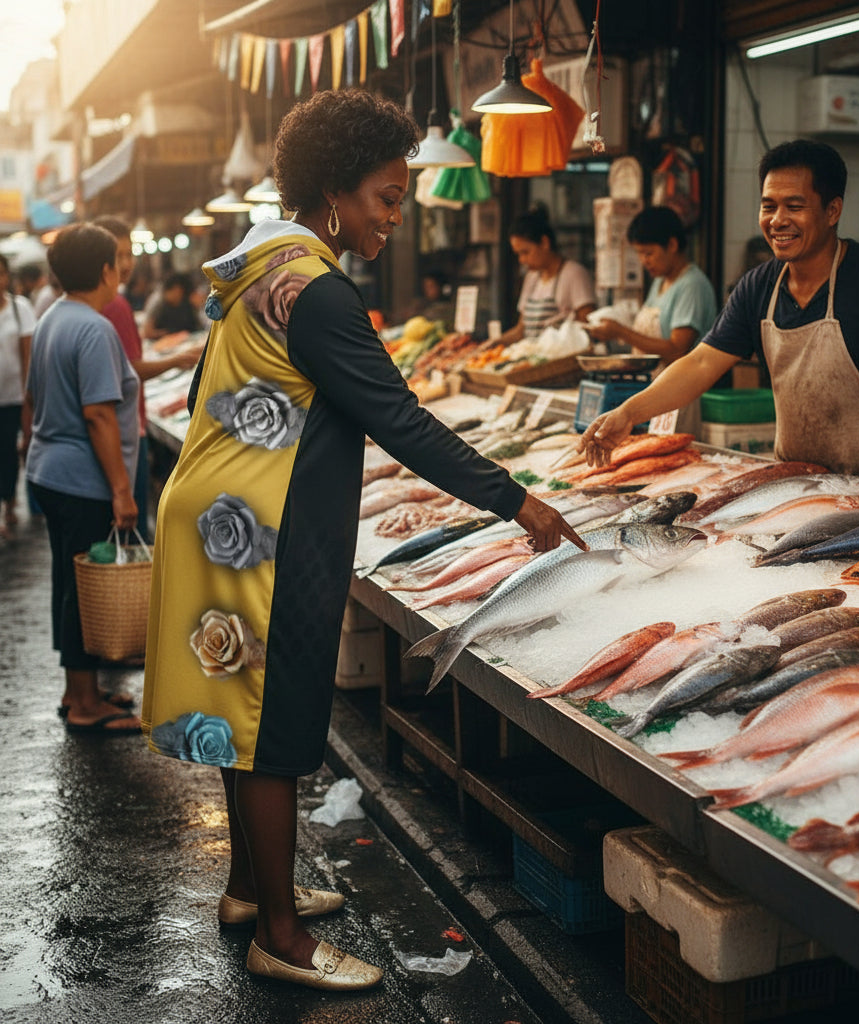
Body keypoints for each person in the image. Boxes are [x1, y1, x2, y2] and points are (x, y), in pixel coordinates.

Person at [141, 88, 585, 993]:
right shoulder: (318, 292)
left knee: (245, 714)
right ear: (336, 191)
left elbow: (201, 402)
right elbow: (400, 420)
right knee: (275, 727)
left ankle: (247, 888)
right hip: (265, 532)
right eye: (387, 197)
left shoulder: (261, 266)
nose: (395, 216)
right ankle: (280, 938)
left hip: (222, 515)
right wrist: (521, 503)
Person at [580, 139, 859, 498]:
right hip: (796, 485)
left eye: (794, 207)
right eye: (769, 206)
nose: (777, 220)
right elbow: (700, 363)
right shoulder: (758, 287)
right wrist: (628, 412)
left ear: (833, 210)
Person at [23, 223, 142, 733]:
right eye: (117, 260)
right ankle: (83, 704)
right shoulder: (93, 328)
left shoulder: (54, 316)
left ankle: (81, 688)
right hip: (81, 478)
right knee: (82, 587)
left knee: (70, 584)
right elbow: (99, 414)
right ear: (104, 270)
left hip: (51, 471)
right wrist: (121, 489)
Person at [93, 217, 202, 541]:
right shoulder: (115, 305)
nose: (126, 264)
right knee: (128, 536)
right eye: (118, 255)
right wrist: (179, 359)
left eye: (129, 254)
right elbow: (129, 368)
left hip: (120, 427)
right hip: (125, 430)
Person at [586, 206, 719, 433]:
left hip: (680, 396)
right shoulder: (660, 282)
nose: (643, 261)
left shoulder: (692, 285)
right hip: (655, 393)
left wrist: (620, 332)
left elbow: (677, 349)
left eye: (648, 253)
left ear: (672, 245)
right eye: (639, 254)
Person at [493, 207, 596, 346]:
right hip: (533, 359)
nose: (522, 260)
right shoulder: (531, 278)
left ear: (544, 243)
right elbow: (521, 330)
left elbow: (588, 327)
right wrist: (494, 343)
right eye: (518, 254)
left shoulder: (574, 274)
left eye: (525, 252)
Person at [0, 253, 37, 538]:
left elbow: (28, 357)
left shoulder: (19, 308)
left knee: (10, 453)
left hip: (13, 397)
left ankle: (10, 503)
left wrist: (28, 397)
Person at [141, 271, 201, 339]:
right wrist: (167, 334)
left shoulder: (184, 301)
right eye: (176, 291)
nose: (178, 295)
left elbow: (196, 325)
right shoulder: (157, 303)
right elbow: (147, 333)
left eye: (180, 292)